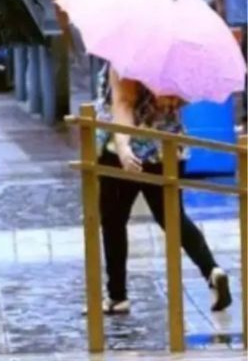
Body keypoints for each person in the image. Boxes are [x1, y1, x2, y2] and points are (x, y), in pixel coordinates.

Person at [95, 67, 232, 315]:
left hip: (125, 153)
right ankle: (211, 270)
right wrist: (170, 98)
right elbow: (186, 99)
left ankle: (117, 295)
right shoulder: (176, 61)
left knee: (113, 220)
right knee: (172, 217)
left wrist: (124, 148)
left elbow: (123, 103)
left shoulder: (126, 58)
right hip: (168, 149)